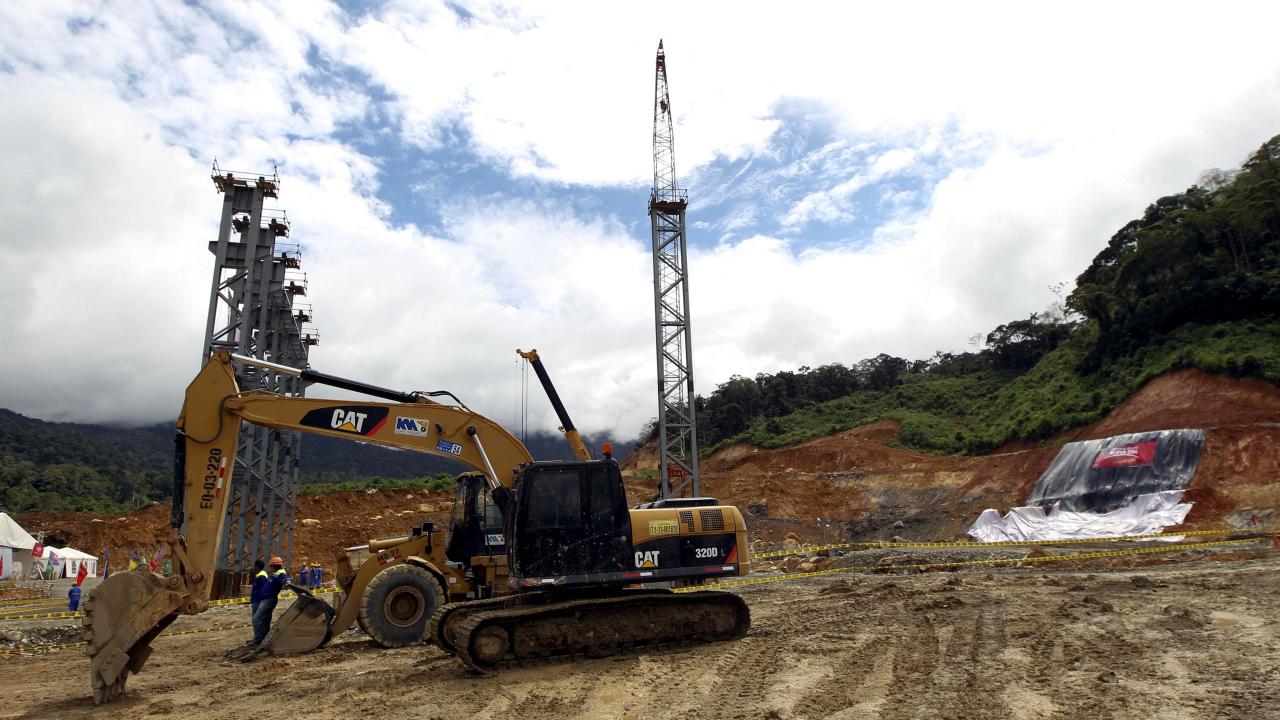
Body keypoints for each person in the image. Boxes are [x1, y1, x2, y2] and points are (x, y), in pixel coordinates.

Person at [251, 557, 289, 646]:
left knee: (256, 618)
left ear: (273, 566)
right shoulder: (275, 573)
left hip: (269, 599)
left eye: (271, 565)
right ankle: (263, 639)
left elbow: (286, 578)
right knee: (265, 619)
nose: (270, 567)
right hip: (266, 599)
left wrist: (288, 581)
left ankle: (258, 640)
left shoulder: (281, 573)